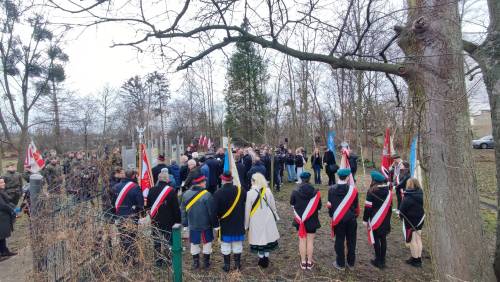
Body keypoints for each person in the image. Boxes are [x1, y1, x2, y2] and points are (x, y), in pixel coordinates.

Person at [181, 171, 218, 269]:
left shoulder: (185, 194)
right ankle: (206, 263)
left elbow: (183, 211)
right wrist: (215, 225)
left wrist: (184, 224)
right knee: (207, 243)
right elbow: (212, 212)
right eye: (204, 181)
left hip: (193, 224)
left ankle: (195, 263)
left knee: (194, 243)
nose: (205, 183)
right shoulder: (207, 195)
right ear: (200, 183)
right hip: (206, 224)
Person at [212, 172, 246, 272]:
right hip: (238, 222)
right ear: (232, 180)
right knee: (237, 244)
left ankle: (227, 265)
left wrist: (215, 225)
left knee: (225, 245)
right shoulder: (241, 190)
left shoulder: (218, 193)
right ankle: (237, 264)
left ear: (222, 180)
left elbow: (214, 211)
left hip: (224, 223)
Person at [245, 173, 280, 268]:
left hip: (255, 219)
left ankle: (261, 258)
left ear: (253, 181)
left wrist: (246, 224)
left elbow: (247, 210)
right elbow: (273, 206)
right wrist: (275, 215)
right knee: (267, 237)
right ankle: (266, 258)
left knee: (259, 238)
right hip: (267, 217)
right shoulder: (268, 191)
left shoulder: (249, 193)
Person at [147, 171, 181, 267]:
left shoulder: (151, 190)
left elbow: (148, 206)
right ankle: (169, 260)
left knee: (157, 241)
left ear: (158, 179)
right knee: (169, 241)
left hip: (155, 220)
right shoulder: (171, 191)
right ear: (168, 180)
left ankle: (158, 261)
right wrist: (178, 221)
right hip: (168, 221)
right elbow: (176, 209)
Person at [328, 168, 359, 270]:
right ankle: (351, 263)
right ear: (347, 177)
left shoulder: (331, 189)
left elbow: (330, 205)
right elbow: (356, 206)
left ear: (338, 176)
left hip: (339, 220)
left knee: (339, 241)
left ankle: (340, 263)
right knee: (352, 241)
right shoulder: (353, 190)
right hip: (351, 219)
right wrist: (354, 216)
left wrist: (331, 214)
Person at [290, 172, 321, 270]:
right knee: (310, 241)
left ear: (301, 178)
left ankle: (303, 262)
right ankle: (309, 262)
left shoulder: (295, 191)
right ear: (309, 178)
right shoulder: (316, 192)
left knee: (302, 241)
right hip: (312, 220)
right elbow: (319, 206)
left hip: (300, 221)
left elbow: (292, 203)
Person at [112, 169, 144, 264]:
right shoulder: (135, 187)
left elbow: (113, 203)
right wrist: (138, 212)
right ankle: (133, 260)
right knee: (132, 238)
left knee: (123, 238)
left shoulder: (115, 187)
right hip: (132, 217)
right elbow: (140, 204)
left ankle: (125, 259)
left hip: (119, 217)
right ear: (133, 176)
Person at [363, 171, 392, 269]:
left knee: (376, 239)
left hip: (375, 219)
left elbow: (368, 208)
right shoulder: (388, 192)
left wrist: (365, 220)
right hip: (385, 219)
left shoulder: (371, 191)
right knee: (383, 239)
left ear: (374, 180)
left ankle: (378, 260)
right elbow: (390, 208)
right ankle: (383, 260)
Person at [399, 178, 425, 267]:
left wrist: (401, 217)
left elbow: (401, 211)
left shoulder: (408, 197)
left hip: (410, 221)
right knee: (418, 239)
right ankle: (418, 258)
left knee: (413, 240)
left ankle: (415, 260)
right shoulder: (422, 194)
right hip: (420, 219)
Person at [0, 177, 16, 259]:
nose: (3, 184)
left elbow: (8, 202)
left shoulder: (2, 192)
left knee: (3, 235)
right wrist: (12, 210)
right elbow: (3, 205)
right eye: (1, 183)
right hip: (1, 217)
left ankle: (4, 251)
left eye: (3, 182)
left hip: (4, 217)